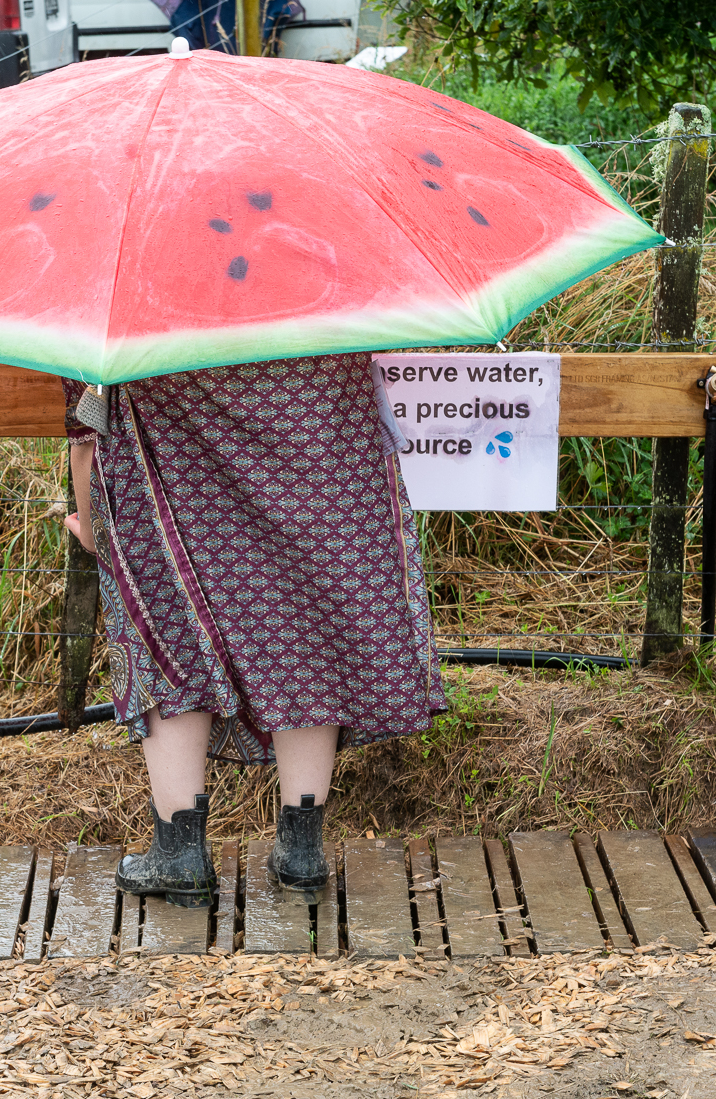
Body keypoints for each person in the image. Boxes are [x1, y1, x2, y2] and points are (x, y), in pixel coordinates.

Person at [61, 353, 444, 908]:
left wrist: (91, 516)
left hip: (166, 450)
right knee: (306, 623)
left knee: (170, 633)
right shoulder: (325, 271)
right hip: (318, 433)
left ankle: (180, 854)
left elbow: (85, 414)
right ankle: (302, 851)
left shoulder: (130, 280)